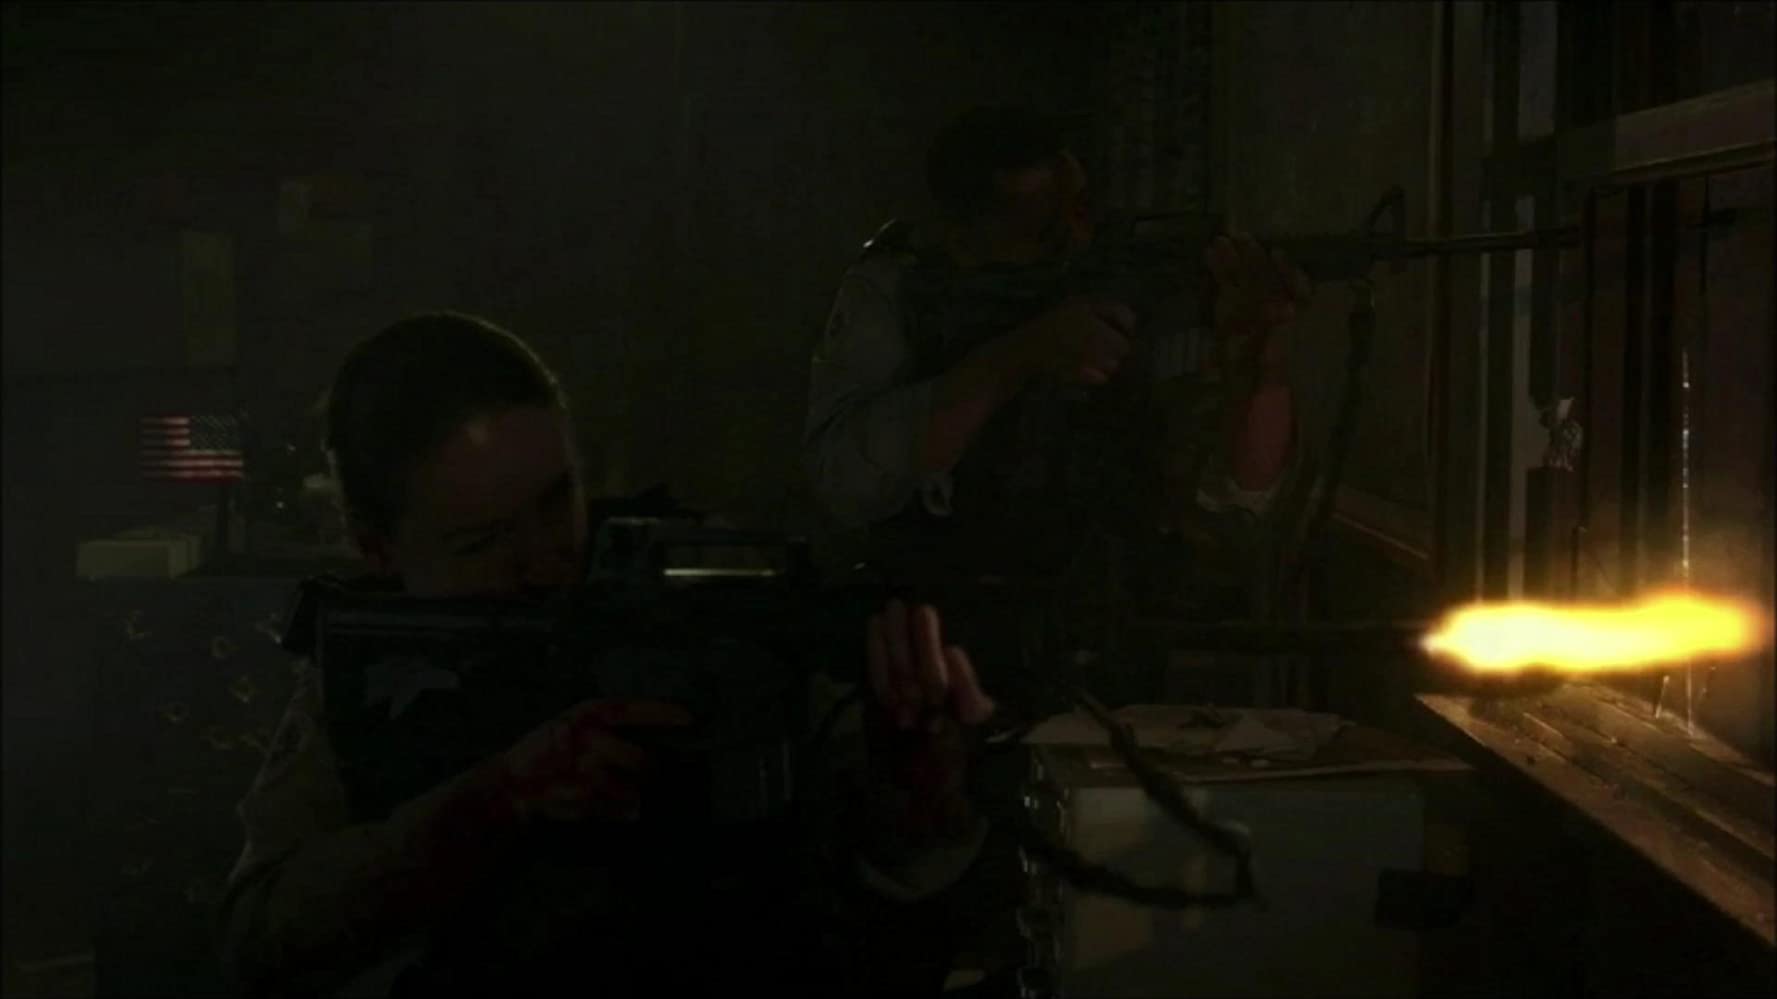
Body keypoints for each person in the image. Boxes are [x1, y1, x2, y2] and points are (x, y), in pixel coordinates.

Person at [216, 313, 997, 997]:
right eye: (481, 541)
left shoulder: (697, 591)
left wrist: (917, 796)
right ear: (377, 549)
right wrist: (490, 802)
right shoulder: (381, 669)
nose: (542, 561)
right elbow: (259, 941)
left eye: (557, 500)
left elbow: (901, 869)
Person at [802, 104, 1314, 704]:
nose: (1073, 239)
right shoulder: (900, 290)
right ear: (962, 234)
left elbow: (1239, 498)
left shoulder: (1132, 295)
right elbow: (844, 481)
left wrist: (1261, 369)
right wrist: (1018, 358)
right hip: (940, 661)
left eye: (1078, 210)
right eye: (1039, 228)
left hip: (1115, 655)